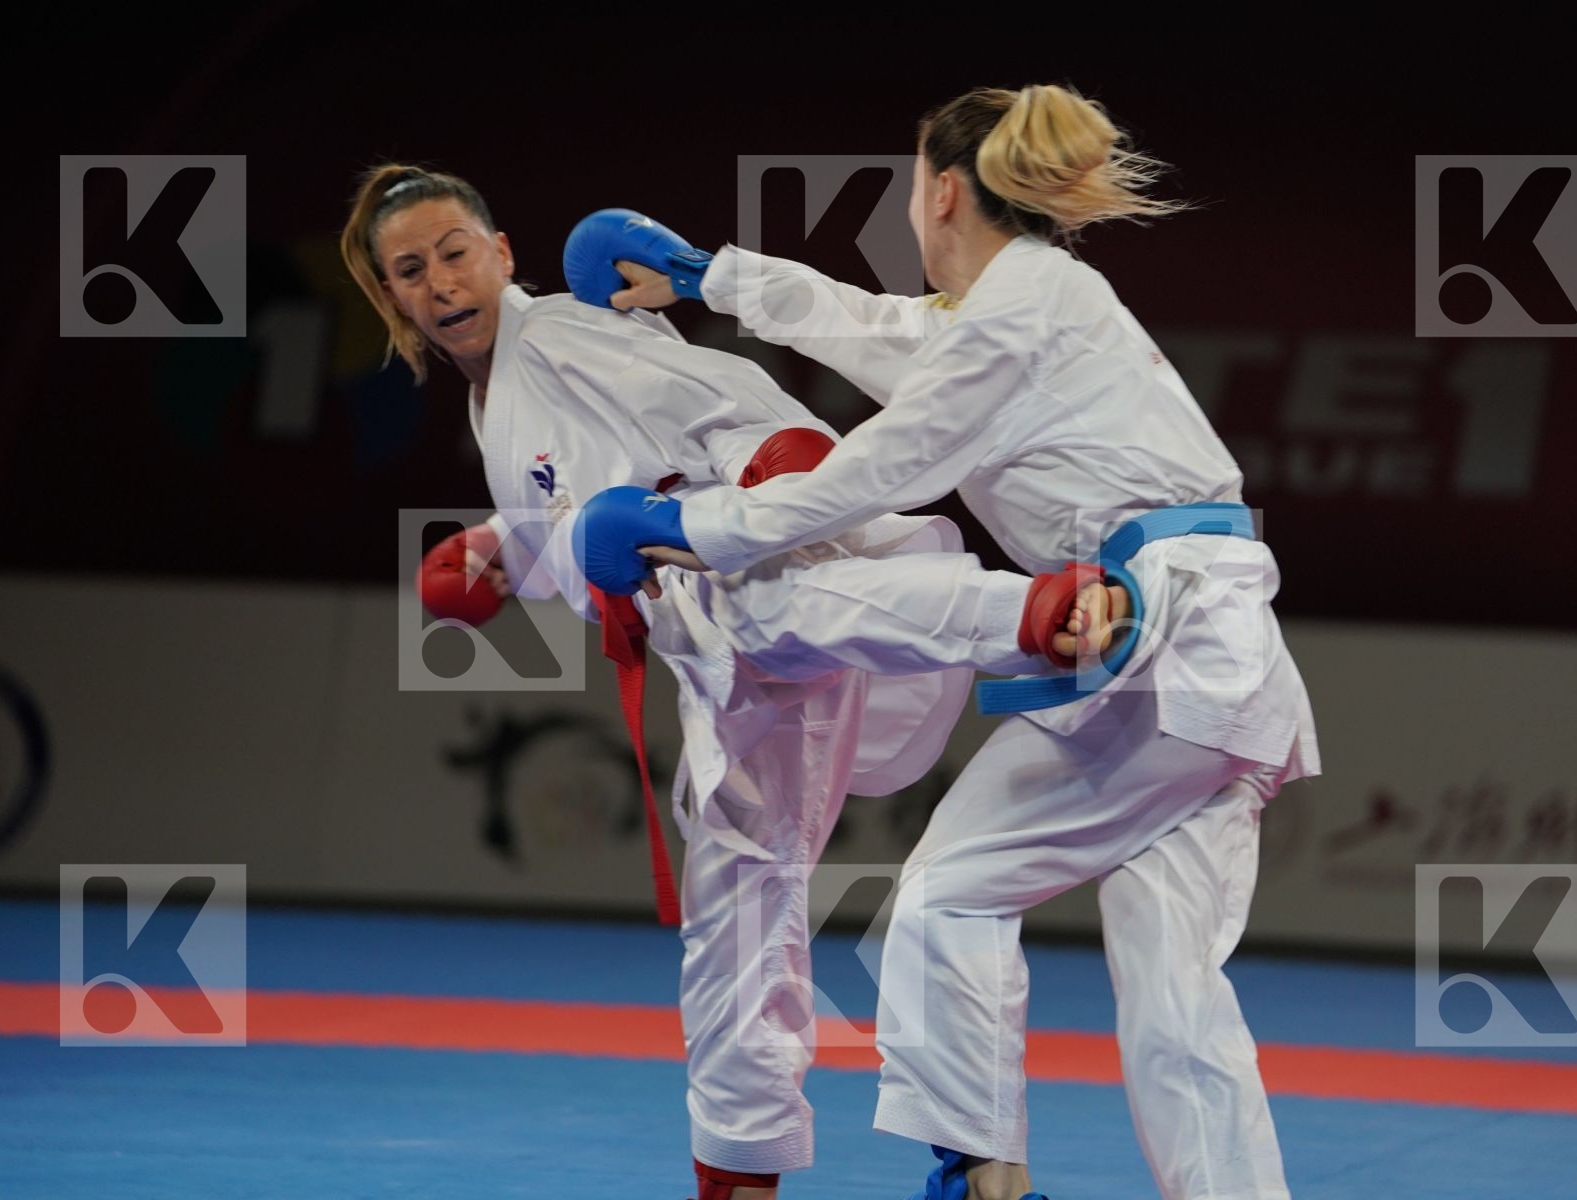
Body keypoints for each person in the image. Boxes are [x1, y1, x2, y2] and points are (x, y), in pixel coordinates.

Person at [572, 84, 1320, 1200]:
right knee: (1176, 1002)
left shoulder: (1018, 318)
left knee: (951, 896)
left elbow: (867, 475)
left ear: (940, 190)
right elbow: (862, 323)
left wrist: (686, 527)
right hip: (1219, 664)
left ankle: (986, 1180)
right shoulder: (1025, 306)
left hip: (1158, 647)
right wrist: (702, 277)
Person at [338, 163, 1122, 1200]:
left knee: (792, 613)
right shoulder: (496, 402)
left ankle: (1037, 613)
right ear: (390, 295)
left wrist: (779, 472)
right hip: (715, 656)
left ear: (501, 254)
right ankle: (753, 1176)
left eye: (454, 252)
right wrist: (496, 553)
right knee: (738, 915)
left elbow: (722, 401)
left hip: (752, 562)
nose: (440, 282)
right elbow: (578, 517)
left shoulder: (566, 334)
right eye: (411, 270)